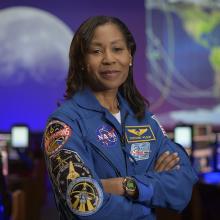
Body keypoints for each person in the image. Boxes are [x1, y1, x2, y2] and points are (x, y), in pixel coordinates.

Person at [42, 15, 198, 220]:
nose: (109, 59)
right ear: (81, 61)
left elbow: (182, 186)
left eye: (117, 49)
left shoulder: (143, 118)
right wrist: (147, 202)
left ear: (130, 57)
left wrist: (126, 186)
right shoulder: (63, 124)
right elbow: (82, 201)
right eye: (96, 51)